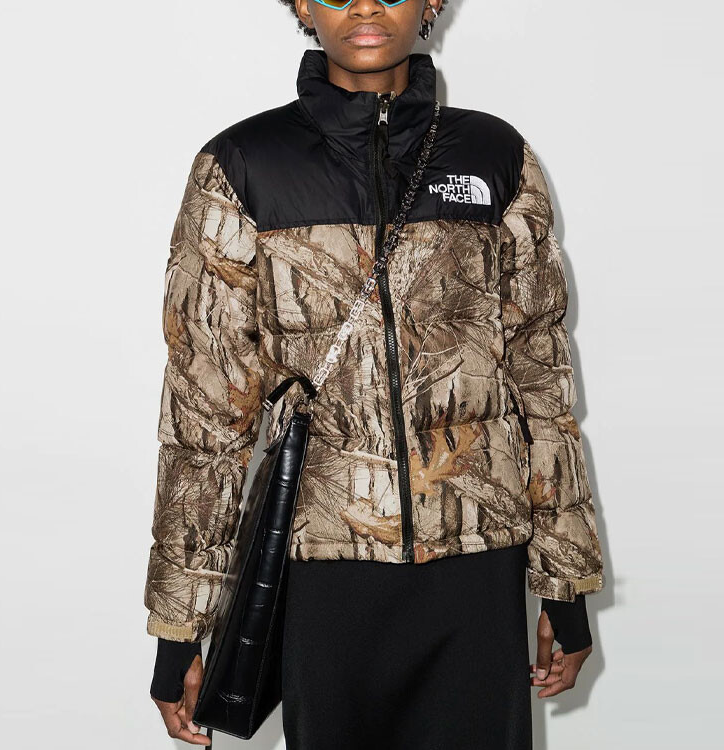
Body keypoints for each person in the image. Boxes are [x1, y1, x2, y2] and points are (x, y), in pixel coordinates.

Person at [144, 1, 604, 747]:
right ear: (302, 4)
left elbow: (541, 386)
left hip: (477, 567)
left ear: (431, 2)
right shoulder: (243, 167)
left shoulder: (495, 156)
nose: (363, 4)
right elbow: (204, 416)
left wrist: (566, 581)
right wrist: (179, 624)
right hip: (324, 573)